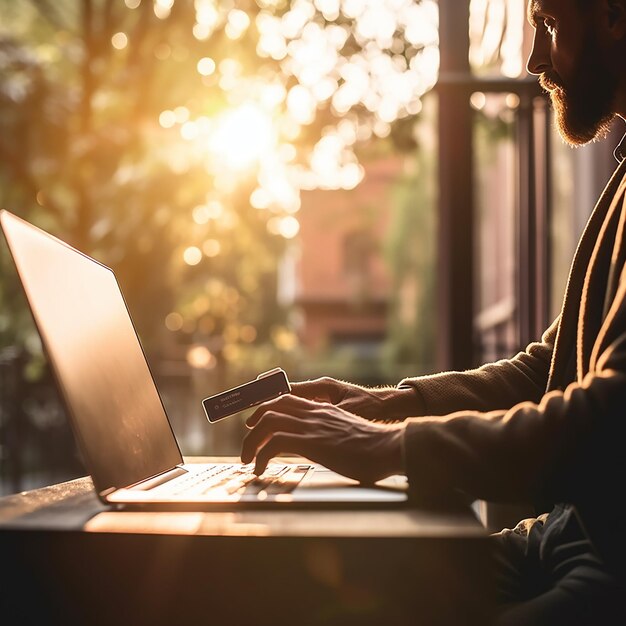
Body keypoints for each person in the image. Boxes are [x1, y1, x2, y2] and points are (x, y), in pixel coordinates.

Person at [242, 0, 626, 623]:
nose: (534, 60)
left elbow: (607, 423)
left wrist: (391, 447)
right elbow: (548, 370)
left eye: (551, 24)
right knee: (301, 582)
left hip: (608, 562)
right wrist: (387, 406)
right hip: (571, 535)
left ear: (612, 14)